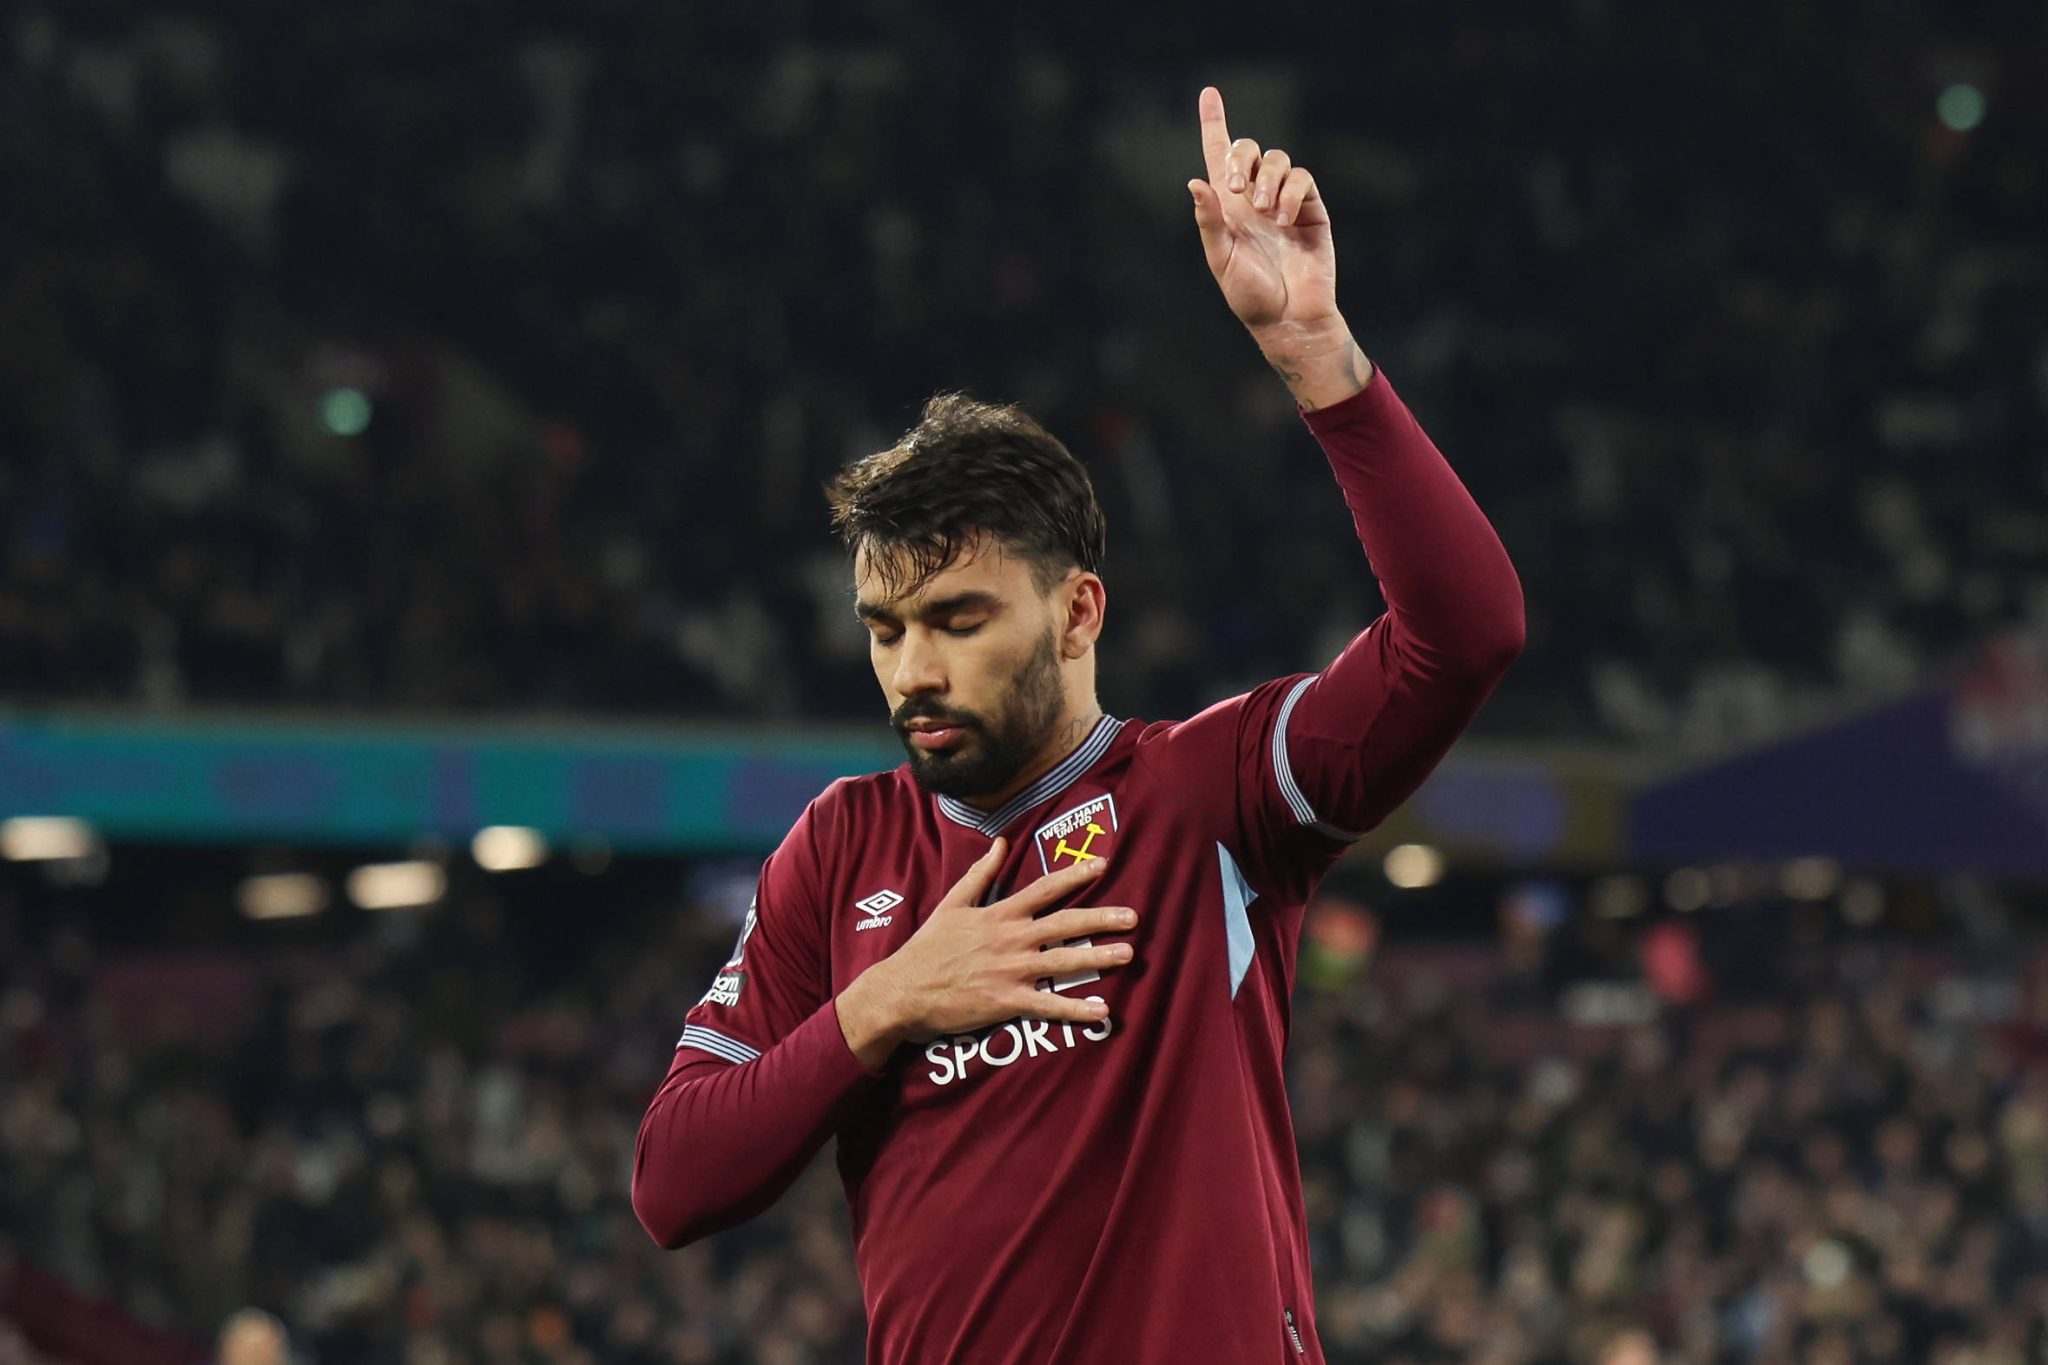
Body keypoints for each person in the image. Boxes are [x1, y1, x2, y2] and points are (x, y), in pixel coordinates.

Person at [632, 87, 1524, 1363]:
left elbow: (1466, 632)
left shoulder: (1210, 794)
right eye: (884, 630)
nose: (912, 672)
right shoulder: (839, 851)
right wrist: (884, 1004)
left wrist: (1317, 356)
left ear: (1076, 612)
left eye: (957, 620)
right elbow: (671, 1182)